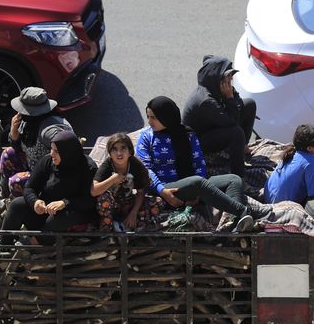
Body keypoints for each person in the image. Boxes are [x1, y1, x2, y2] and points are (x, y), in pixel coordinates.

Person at [137, 96, 261, 232]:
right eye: (148, 117)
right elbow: (145, 170)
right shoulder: (146, 137)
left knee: (234, 179)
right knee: (197, 182)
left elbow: (199, 164)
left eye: (153, 117)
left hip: (193, 186)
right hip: (166, 189)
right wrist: (162, 190)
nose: (149, 122)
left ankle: (234, 224)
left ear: (166, 117)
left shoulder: (187, 134)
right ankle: (243, 211)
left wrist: (197, 195)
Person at [0, 130, 98, 240]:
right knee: (17, 204)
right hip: (46, 211)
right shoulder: (48, 161)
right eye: (52, 149)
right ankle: (4, 244)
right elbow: (30, 187)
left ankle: (37, 243)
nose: (52, 154)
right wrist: (35, 202)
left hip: (71, 215)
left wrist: (64, 203)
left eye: (56, 151)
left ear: (67, 152)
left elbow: (89, 201)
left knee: (59, 218)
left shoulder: (88, 169)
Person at [182, 55, 257, 176]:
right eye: (228, 75)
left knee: (249, 104)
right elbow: (232, 121)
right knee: (236, 132)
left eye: (232, 75)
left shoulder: (217, 87)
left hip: (213, 126)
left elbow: (238, 104)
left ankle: (243, 146)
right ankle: (238, 176)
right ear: (216, 76)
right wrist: (229, 98)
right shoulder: (205, 100)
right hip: (198, 140)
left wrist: (232, 98)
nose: (231, 79)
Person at [0, 87, 72, 197]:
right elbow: (18, 147)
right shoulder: (28, 123)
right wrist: (14, 132)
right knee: (7, 154)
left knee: (16, 182)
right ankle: (4, 194)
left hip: (47, 176)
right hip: (32, 164)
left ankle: (18, 204)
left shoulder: (50, 130)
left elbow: (66, 157)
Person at [92, 133, 164, 232]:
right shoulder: (107, 165)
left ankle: (129, 224)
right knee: (103, 198)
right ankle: (107, 229)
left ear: (130, 151)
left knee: (158, 202)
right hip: (112, 206)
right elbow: (94, 191)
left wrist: (133, 213)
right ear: (110, 153)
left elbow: (140, 192)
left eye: (123, 149)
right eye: (114, 149)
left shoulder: (136, 165)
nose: (119, 153)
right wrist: (113, 179)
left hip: (129, 203)